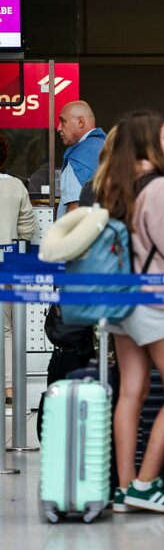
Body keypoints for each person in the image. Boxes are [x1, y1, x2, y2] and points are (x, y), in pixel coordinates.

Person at [96, 109, 164, 514]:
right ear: (149, 143)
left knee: (130, 393)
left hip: (123, 299)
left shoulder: (111, 184)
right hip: (157, 300)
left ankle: (124, 488)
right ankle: (145, 482)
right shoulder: (159, 187)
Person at [0, 133, 36, 406]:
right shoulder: (16, 187)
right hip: (9, 265)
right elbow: (28, 228)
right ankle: (9, 389)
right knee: (8, 329)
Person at [57, 100, 106, 218]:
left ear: (80, 122)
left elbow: (75, 210)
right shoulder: (108, 147)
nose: (59, 128)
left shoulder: (77, 157)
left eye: (63, 122)